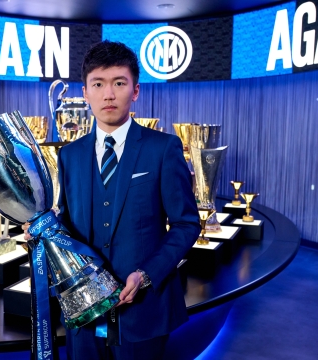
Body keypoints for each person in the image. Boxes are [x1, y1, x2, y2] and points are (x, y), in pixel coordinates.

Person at [26, 40, 200, 360]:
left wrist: (146, 273)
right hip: (84, 311)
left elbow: (186, 223)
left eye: (119, 83)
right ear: (85, 92)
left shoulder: (163, 149)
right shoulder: (70, 155)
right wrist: (43, 231)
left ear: (135, 91)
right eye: (98, 84)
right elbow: (67, 222)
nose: (109, 94)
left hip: (143, 312)